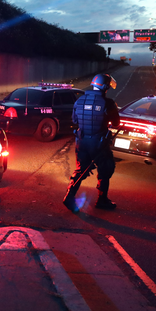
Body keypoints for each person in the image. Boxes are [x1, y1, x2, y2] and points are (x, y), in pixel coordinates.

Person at [63, 73, 121, 211]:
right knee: (106, 169)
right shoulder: (108, 103)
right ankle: (102, 200)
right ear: (105, 87)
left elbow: (75, 120)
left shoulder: (80, 100)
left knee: (81, 170)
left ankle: (69, 196)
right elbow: (116, 123)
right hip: (99, 143)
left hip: (82, 142)